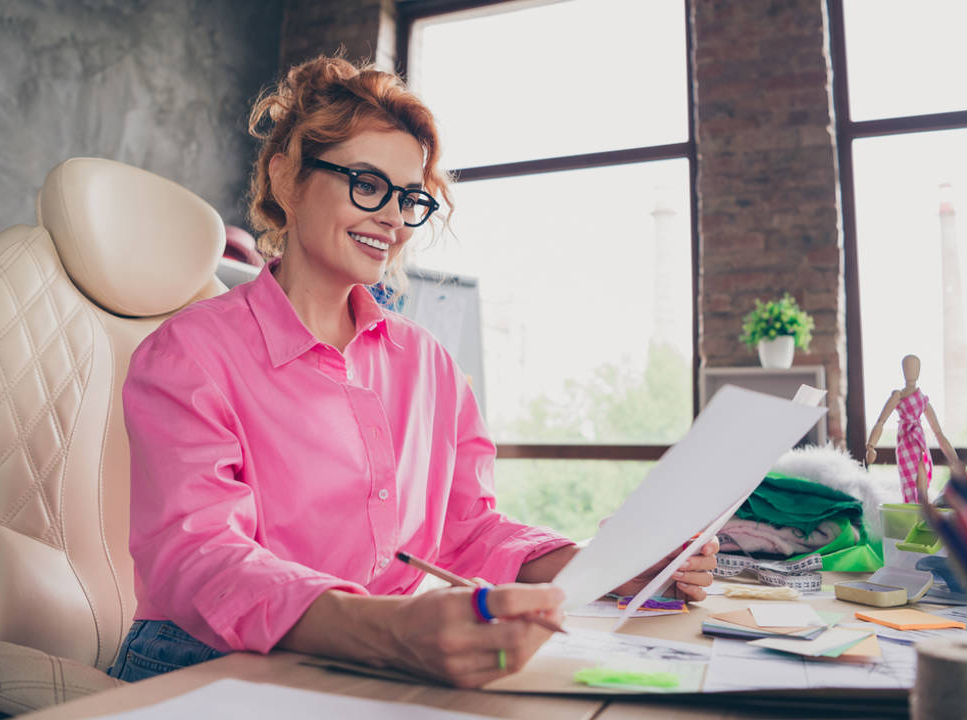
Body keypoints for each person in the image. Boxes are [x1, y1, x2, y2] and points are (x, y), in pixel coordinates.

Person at [110, 56, 718, 688]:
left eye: (408, 198)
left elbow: (468, 528)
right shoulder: (187, 354)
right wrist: (389, 631)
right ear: (287, 177)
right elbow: (201, 558)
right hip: (198, 657)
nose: (395, 220)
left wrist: (602, 565)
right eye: (367, 185)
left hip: (368, 650)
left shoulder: (427, 362)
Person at [864, 354, 960, 504]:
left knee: (922, 472)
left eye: (915, 367)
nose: (911, 371)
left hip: (919, 440)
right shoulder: (898, 396)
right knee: (908, 479)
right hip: (905, 440)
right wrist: (871, 446)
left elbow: (938, 432)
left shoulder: (922, 399)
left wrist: (954, 458)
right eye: (908, 367)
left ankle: (924, 508)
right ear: (903, 370)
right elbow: (881, 421)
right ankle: (912, 507)